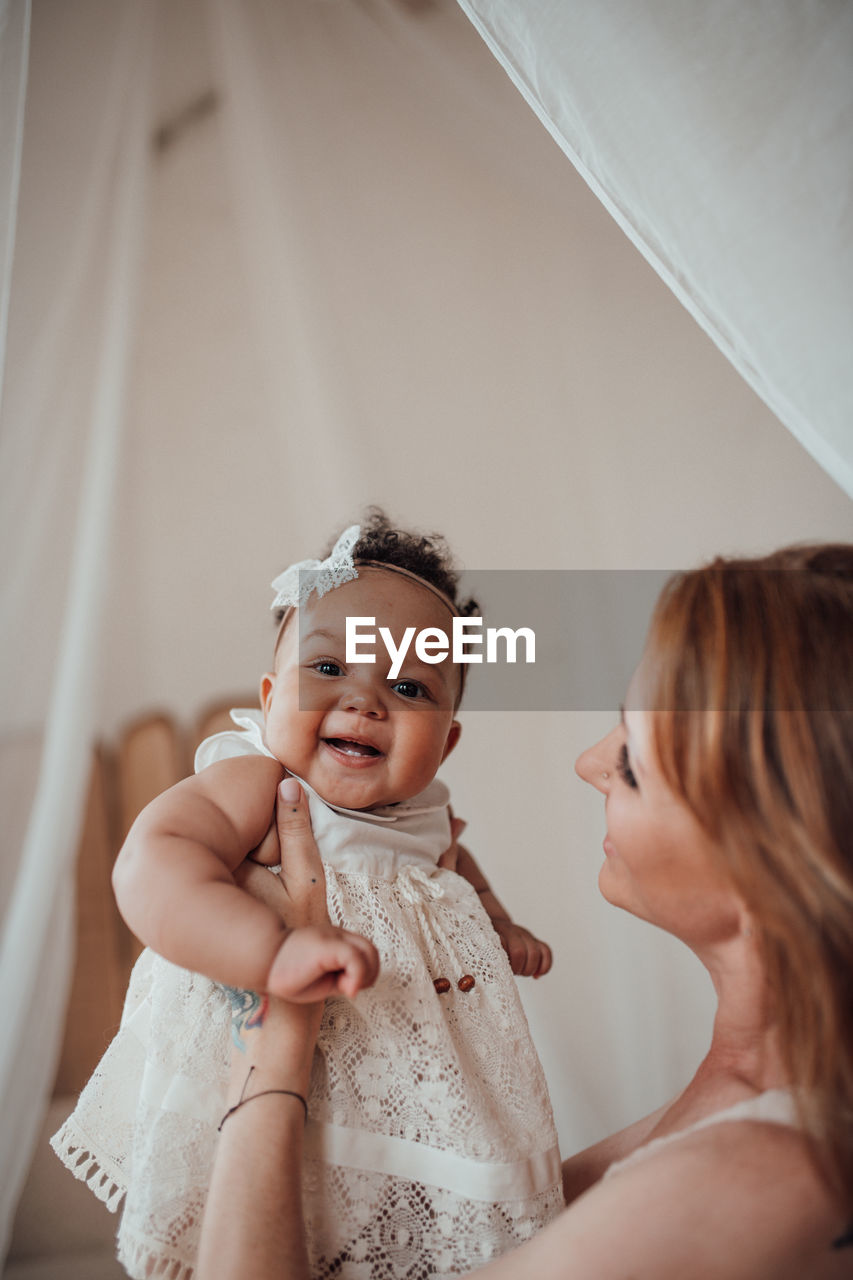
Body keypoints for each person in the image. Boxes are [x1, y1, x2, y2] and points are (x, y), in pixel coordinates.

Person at [197, 543, 853, 1279]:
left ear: (776, 844)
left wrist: (274, 1043)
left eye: (633, 760)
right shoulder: (747, 1091)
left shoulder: (756, 1179)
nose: (589, 764)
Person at [51, 511, 562, 1280]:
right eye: (328, 670)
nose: (363, 704)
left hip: (403, 1088)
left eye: (408, 686)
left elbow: (457, 874)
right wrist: (271, 949)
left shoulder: (425, 818)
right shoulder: (258, 782)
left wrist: (498, 922)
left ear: (449, 736)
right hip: (252, 1072)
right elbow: (153, 863)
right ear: (268, 693)